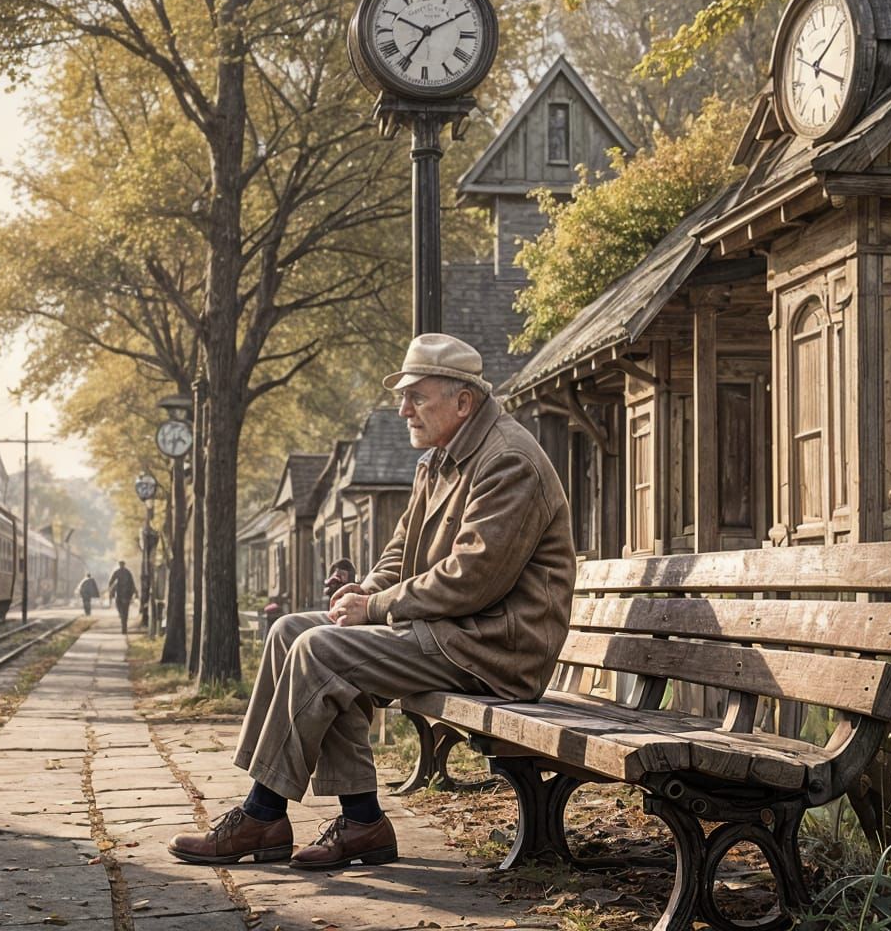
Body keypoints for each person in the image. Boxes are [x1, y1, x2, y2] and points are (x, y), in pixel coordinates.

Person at [167, 333, 576, 871]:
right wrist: (364, 591)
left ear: (462, 401)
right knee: (291, 630)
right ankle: (361, 823)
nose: (403, 409)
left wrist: (376, 610)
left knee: (322, 652)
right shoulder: (441, 459)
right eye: (402, 397)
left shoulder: (508, 461)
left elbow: (472, 579)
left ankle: (264, 813)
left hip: (495, 646)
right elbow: (400, 551)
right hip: (451, 632)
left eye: (416, 397)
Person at [107, 561, 137, 634]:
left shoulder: (117, 572)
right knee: (125, 611)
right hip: (126, 595)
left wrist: (110, 588)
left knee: (120, 608)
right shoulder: (127, 572)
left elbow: (111, 581)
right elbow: (132, 583)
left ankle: (123, 624)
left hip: (121, 594)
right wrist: (134, 592)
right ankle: (124, 625)